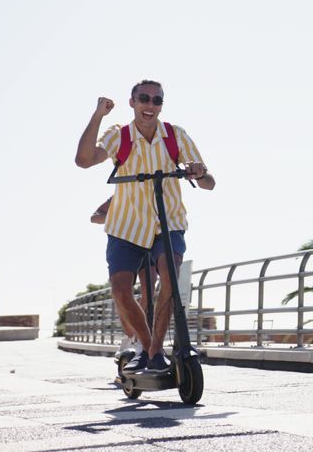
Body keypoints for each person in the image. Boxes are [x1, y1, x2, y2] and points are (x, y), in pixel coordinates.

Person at [75, 80, 215, 374]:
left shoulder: (175, 136)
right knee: (121, 290)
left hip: (168, 222)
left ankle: (154, 352)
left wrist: (199, 172)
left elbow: (208, 182)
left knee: (170, 279)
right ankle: (145, 345)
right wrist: (98, 114)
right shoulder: (120, 136)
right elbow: (84, 160)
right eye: (144, 99)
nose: (150, 106)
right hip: (127, 226)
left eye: (157, 100)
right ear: (133, 102)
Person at [91, 197, 149, 359]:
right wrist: (118, 216)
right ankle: (130, 336)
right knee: (122, 294)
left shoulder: (154, 188)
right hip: (124, 242)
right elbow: (94, 217)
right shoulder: (120, 194)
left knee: (149, 290)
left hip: (149, 239)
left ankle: (142, 338)